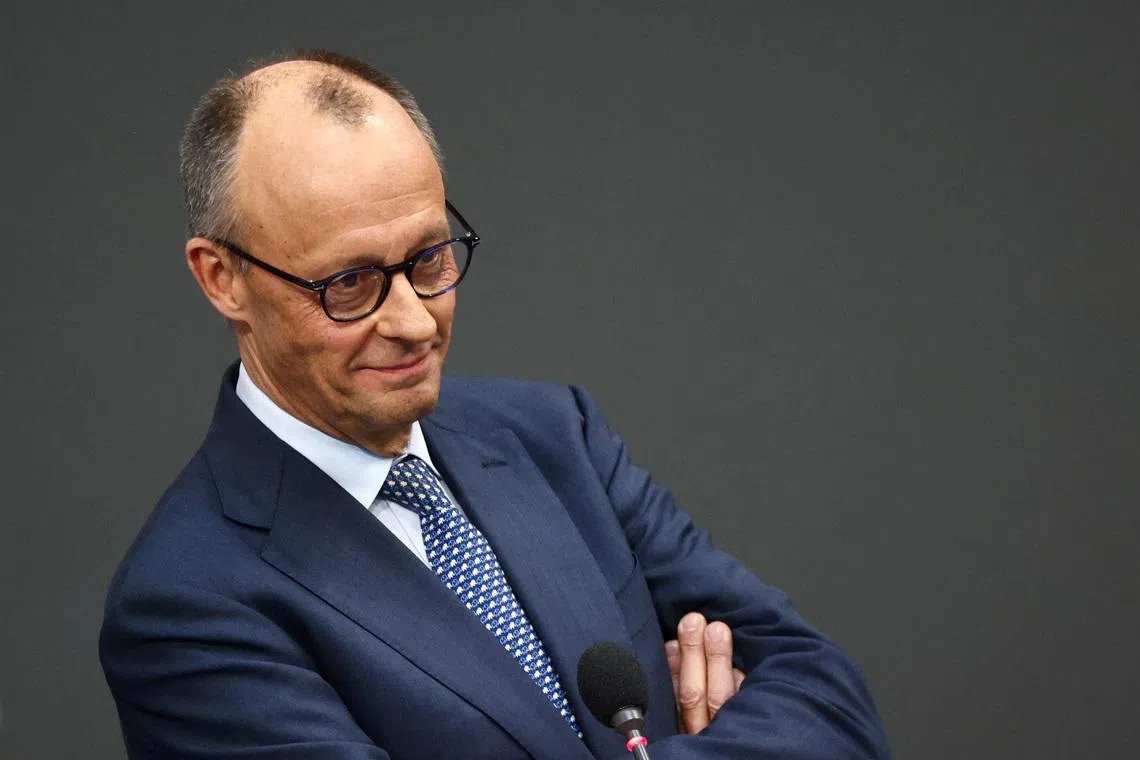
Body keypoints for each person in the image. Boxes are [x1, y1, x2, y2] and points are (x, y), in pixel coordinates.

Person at [100, 49, 891, 759]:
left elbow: (830, 700)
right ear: (221, 279)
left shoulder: (556, 436)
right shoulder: (185, 606)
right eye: (349, 283)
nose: (413, 320)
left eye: (431, 257)